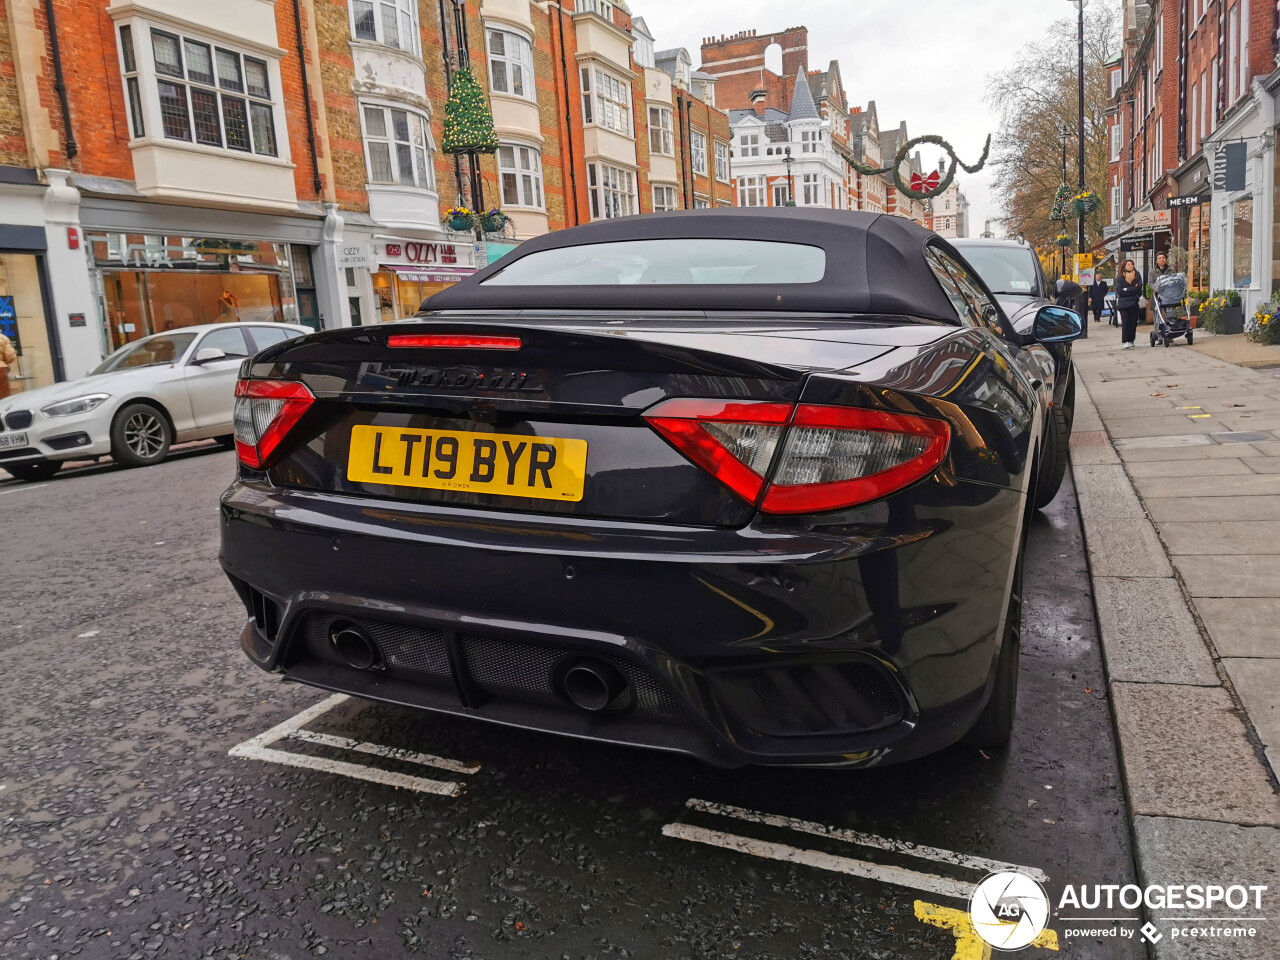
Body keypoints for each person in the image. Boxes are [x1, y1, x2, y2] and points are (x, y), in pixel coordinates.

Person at [1115, 259, 1144, 349]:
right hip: (1124, 304)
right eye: (1128, 264)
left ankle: (1131, 340)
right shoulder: (1120, 278)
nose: (1130, 266)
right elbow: (1119, 291)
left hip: (1134, 303)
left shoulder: (1137, 275)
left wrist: (1127, 289)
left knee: (1133, 322)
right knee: (1125, 323)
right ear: (1124, 267)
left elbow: (1139, 287)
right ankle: (1126, 341)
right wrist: (1131, 289)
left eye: (1132, 264)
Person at [0, 330, 15, 399]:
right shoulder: (3, 338)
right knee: (4, 397)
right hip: (1, 369)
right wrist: (3, 362)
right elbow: (10, 356)